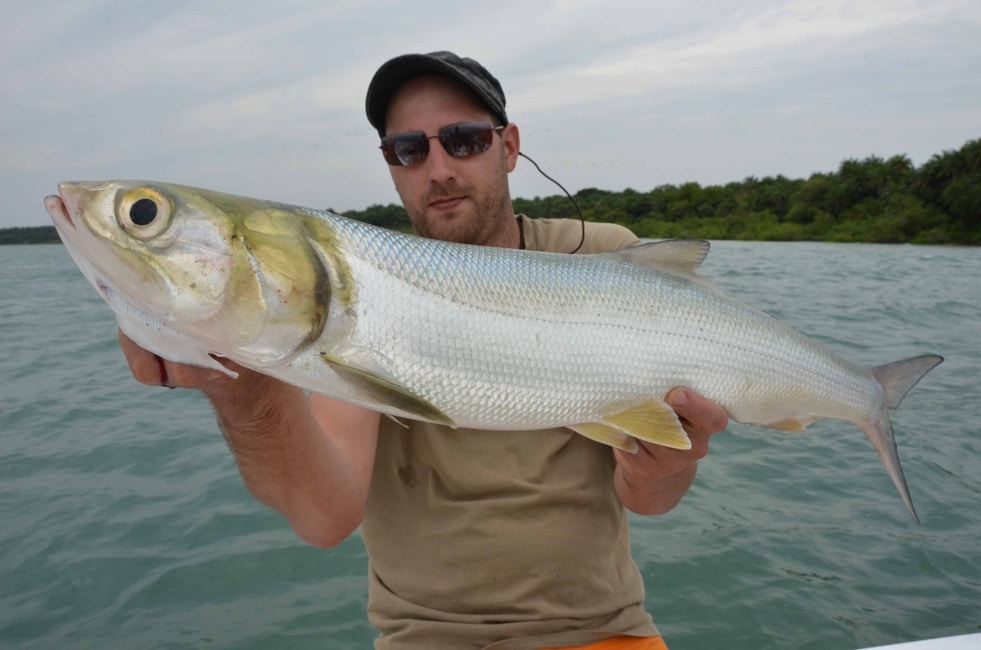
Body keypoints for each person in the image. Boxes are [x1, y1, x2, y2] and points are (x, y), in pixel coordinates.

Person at [119, 51, 729, 650]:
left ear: (509, 146)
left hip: (604, 632)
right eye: (408, 150)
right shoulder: (364, 296)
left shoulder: (603, 258)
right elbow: (323, 518)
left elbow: (651, 500)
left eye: (463, 140)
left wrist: (665, 463)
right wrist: (241, 386)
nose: (437, 168)